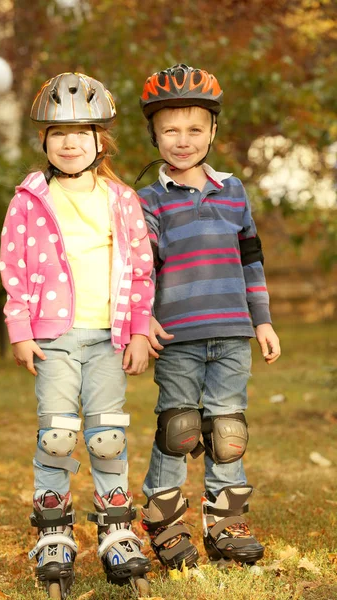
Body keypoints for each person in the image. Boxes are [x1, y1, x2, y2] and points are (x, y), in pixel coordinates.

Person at [0, 72, 153, 598]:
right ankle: (54, 533)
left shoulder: (120, 198)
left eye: (82, 131)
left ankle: (116, 531)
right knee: (58, 434)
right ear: (44, 139)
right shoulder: (28, 198)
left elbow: (139, 269)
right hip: (54, 335)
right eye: (59, 132)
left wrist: (136, 330)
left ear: (99, 140)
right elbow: (13, 267)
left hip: (109, 336)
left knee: (108, 435)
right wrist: (19, 327)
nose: (70, 141)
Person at [135, 64, 281, 572]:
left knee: (227, 430)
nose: (182, 140)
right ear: (154, 133)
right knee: (179, 428)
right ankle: (164, 519)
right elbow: (141, 269)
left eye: (194, 128)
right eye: (170, 130)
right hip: (176, 335)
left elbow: (251, 259)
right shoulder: (147, 200)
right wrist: (142, 318)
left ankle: (226, 523)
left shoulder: (234, 191)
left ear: (213, 130)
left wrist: (261, 320)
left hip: (234, 333)